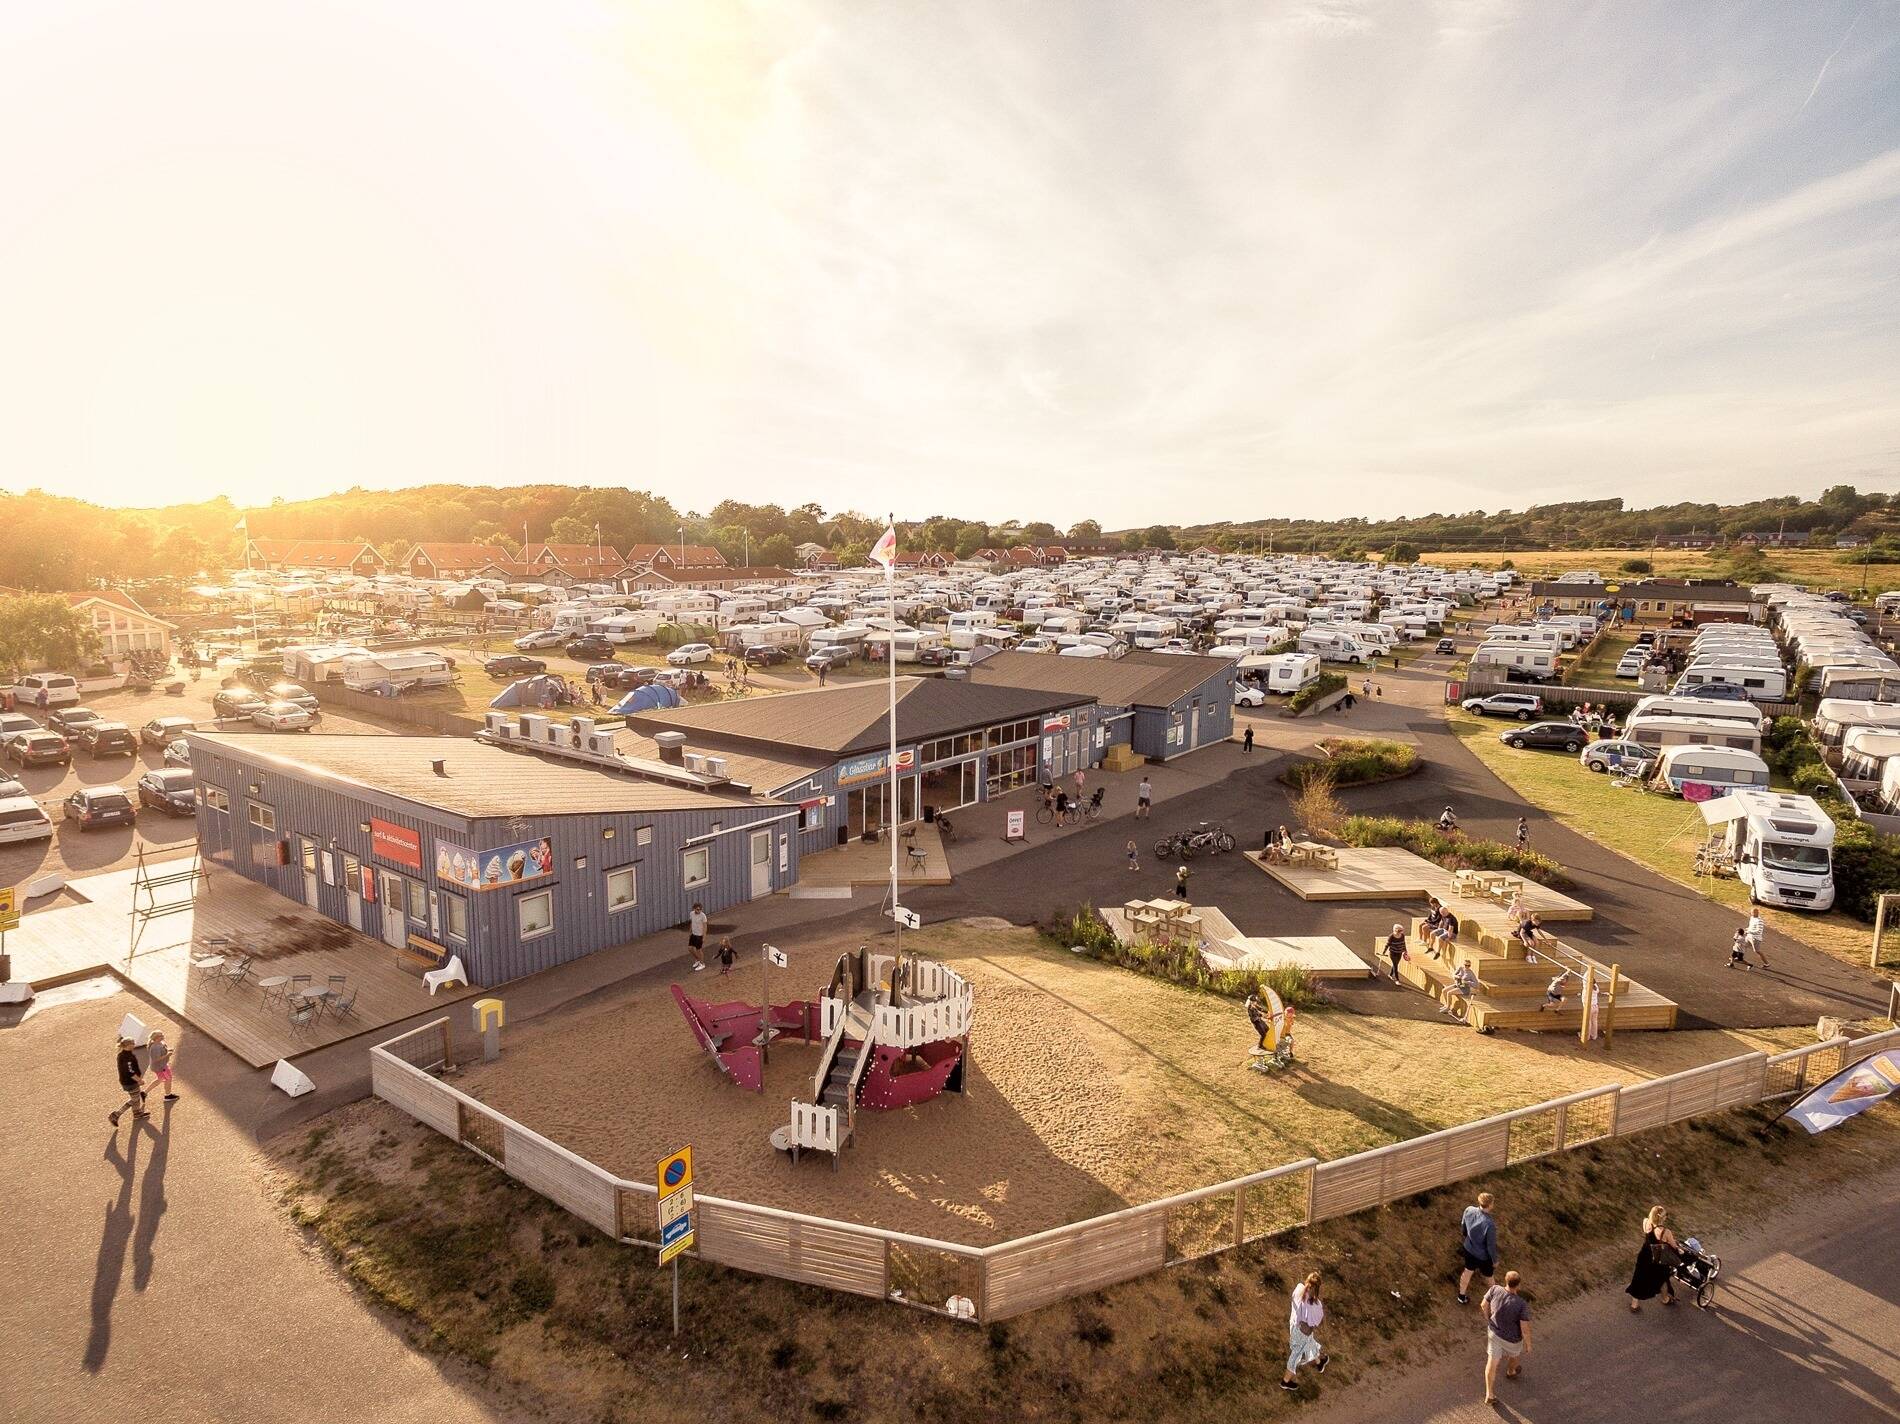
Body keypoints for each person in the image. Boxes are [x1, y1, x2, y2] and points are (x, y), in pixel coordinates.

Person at [1482, 1270, 1532, 1404]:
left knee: (1492, 1362)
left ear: (1505, 1280)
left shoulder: (1494, 1289)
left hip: (1494, 1333)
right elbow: (1524, 1329)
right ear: (1518, 1285)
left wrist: (1488, 1319)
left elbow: (1483, 1305)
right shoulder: (1521, 1304)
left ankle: (1489, 1394)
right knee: (1514, 1355)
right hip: (1512, 1339)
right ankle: (1511, 1371)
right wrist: (1528, 1344)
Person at [1626, 1205, 1680, 1312]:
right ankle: (1665, 1299)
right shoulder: (1666, 1232)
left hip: (1644, 1255)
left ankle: (1634, 1305)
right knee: (1662, 1278)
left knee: (1639, 1278)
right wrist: (1679, 1249)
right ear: (1662, 1218)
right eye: (1665, 1215)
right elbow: (1674, 1246)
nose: (1666, 1217)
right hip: (1657, 1259)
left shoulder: (1646, 1222)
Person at [1281, 1272, 1328, 1391]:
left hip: (1294, 1326)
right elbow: (1316, 1321)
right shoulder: (1315, 1304)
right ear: (1318, 1288)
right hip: (1304, 1331)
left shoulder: (1298, 1289)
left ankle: (1319, 1362)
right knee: (1296, 1355)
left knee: (1309, 1343)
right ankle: (1285, 1381)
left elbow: (1294, 1302)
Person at [1458, 1191, 1498, 1304]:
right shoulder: (1489, 1224)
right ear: (1490, 1205)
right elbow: (1490, 1246)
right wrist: (1494, 1260)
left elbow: (1463, 1227)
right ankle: (1496, 1299)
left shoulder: (1468, 1210)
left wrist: (1467, 1237)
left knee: (1467, 1271)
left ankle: (1461, 1296)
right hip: (1482, 1256)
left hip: (1469, 1249)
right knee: (1489, 1277)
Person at [110, 1037, 148, 1126]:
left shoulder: (122, 1054)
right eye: (133, 1043)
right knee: (134, 1099)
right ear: (128, 1045)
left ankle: (137, 1113)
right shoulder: (127, 1058)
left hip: (127, 1081)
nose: (134, 1045)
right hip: (130, 1082)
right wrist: (139, 1080)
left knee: (136, 1097)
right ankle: (116, 1114)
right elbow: (130, 1072)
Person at [148, 1030, 178, 1102]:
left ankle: (144, 1093)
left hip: (163, 1065)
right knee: (168, 1079)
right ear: (156, 1038)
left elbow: (163, 1050)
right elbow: (156, 1059)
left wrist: (168, 1050)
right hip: (160, 1067)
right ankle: (168, 1096)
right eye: (160, 1035)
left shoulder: (161, 1043)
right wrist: (167, 1055)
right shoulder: (155, 1047)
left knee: (160, 1079)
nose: (163, 1036)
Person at [687, 903, 708, 971]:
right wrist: (690, 931)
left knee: (698, 950)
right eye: (698, 909)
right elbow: (692, 923)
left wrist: (704, 936)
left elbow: (705, 927)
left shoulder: (703, 916)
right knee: (690, 948)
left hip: (699, 935)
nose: (699, 911)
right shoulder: (691, 914)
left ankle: (702, 964)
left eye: (700, 909)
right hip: (693, 934)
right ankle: (698, 959)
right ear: (694, 909)